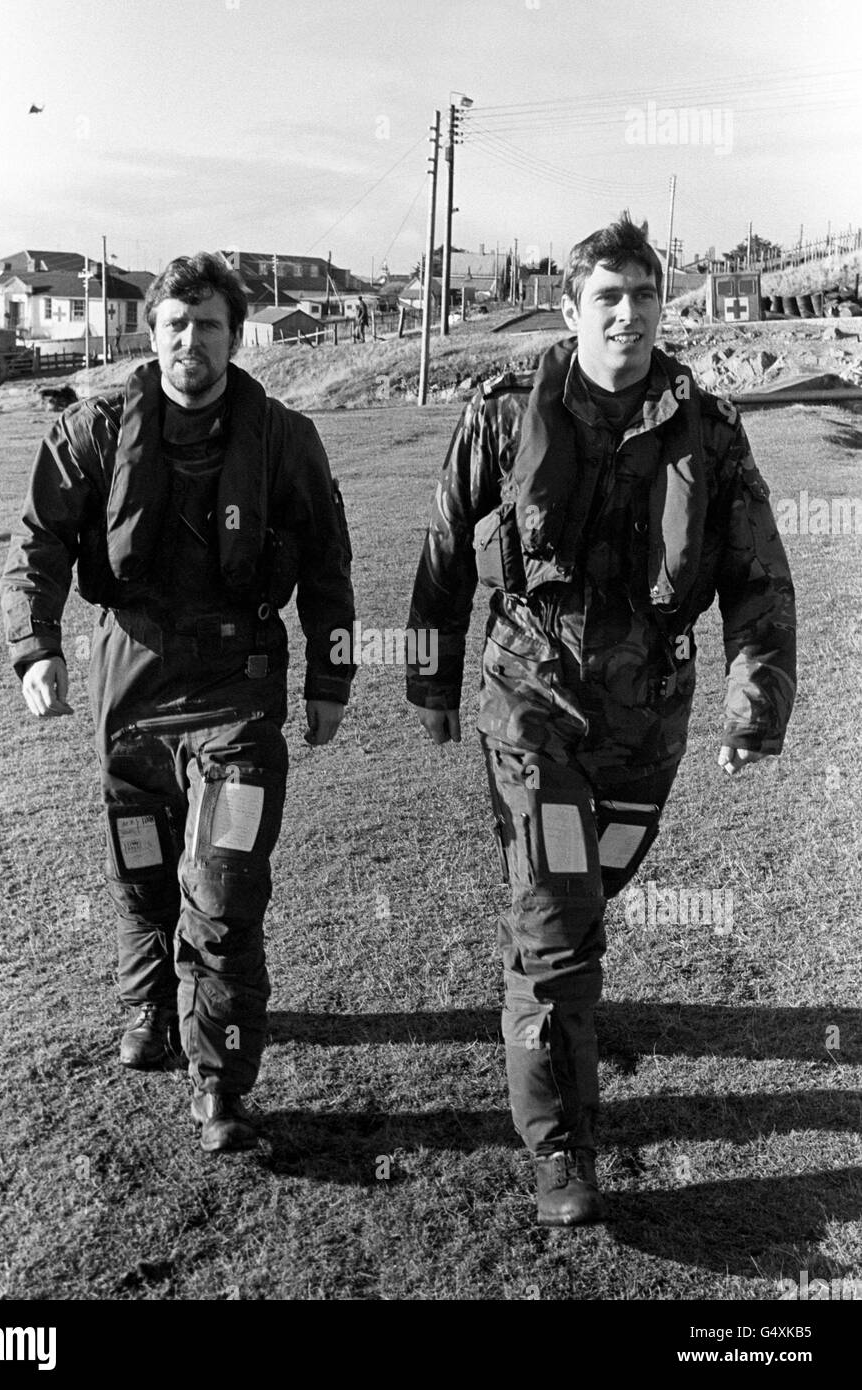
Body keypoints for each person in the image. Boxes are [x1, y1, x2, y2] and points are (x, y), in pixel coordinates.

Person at [406, 215, 796, 1225]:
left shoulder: (707, 427)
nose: (627, 315)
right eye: (606, 298)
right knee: (556, 921)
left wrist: (756, 696)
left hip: (646, 728)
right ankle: (561, 1154)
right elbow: (447, 551)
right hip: (529, 705)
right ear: (572, 307)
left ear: (663, 308)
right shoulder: (503, 410)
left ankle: (550, 990)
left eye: (644, 297)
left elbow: (758, 573)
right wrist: (430, 684)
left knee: (585, 890)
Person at [1, 252, 356, 1153]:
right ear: (150, 333)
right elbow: (38, 541)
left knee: (225, 889)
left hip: (237, 692)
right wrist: (34, 647)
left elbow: (327, 565)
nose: (189, 341)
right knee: (144, 873)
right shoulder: (93, 430)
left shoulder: (284, 440)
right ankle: (149, 1006)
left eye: (207, 325)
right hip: (128, 687)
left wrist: (329, 678)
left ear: (235, 339)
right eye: (174, 325)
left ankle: (221, 1087)